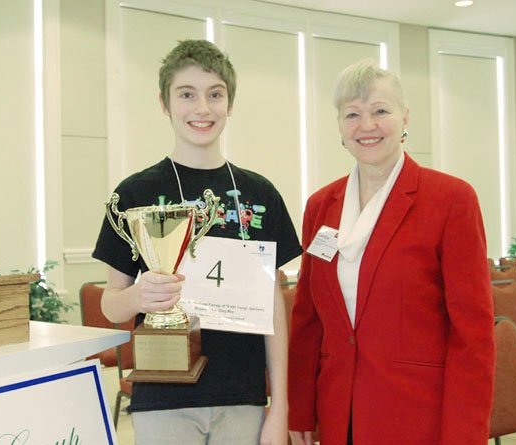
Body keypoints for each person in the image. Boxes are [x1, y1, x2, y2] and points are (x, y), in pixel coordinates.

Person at [93, 39, 301, 445]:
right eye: (186, 94)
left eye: (215, 95)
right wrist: (140, 297)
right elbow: (110, 302)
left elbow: (272, 308)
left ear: (230, 104)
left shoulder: (260, 193)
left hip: (244, 398)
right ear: (165, 103)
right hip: (163, 398)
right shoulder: (135, 194)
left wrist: (280, 408)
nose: (202, 108)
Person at [287, 59, 495, 445]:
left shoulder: (451, 200)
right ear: (340, 127)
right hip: (338, 415)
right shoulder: (321, 206)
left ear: (404, 117)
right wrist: (300, 409)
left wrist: (465, 435)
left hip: (418, 417)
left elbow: (473, 334)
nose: (366, 125)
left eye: (380, 111)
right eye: (352, 114)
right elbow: (307, 320)